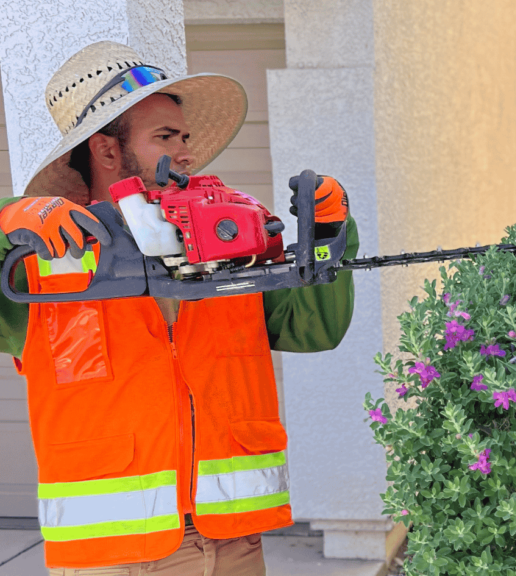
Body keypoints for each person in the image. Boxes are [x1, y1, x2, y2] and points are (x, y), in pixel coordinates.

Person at [0, 41, 358, 574]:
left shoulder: (232, 237)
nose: (187, 151)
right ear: (106, 151)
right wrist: (6, 221)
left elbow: (314, 328)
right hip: (116, 557)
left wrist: (329, 236)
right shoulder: (40, 260)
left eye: (185, 136)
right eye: (166, 137)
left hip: (236, 540)